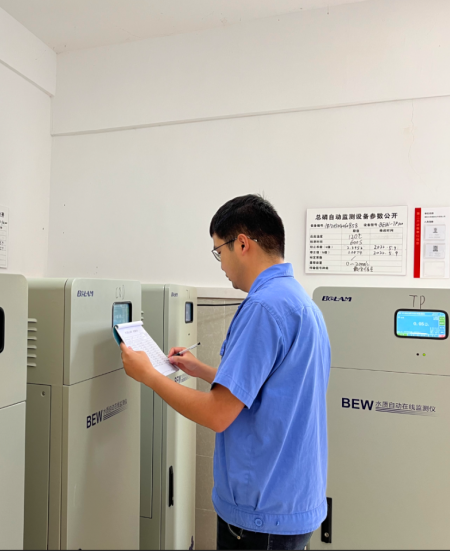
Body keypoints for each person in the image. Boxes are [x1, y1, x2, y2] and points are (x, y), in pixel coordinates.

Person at [120, 194, 330, 551]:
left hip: (261, 516)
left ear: (242, 244)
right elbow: (271, 389)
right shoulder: (300, 302)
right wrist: (200, 369)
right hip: (292, 503)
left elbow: (218, 414)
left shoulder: (262, 307)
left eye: (219, 252)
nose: (221, 266)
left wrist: (148, 375)